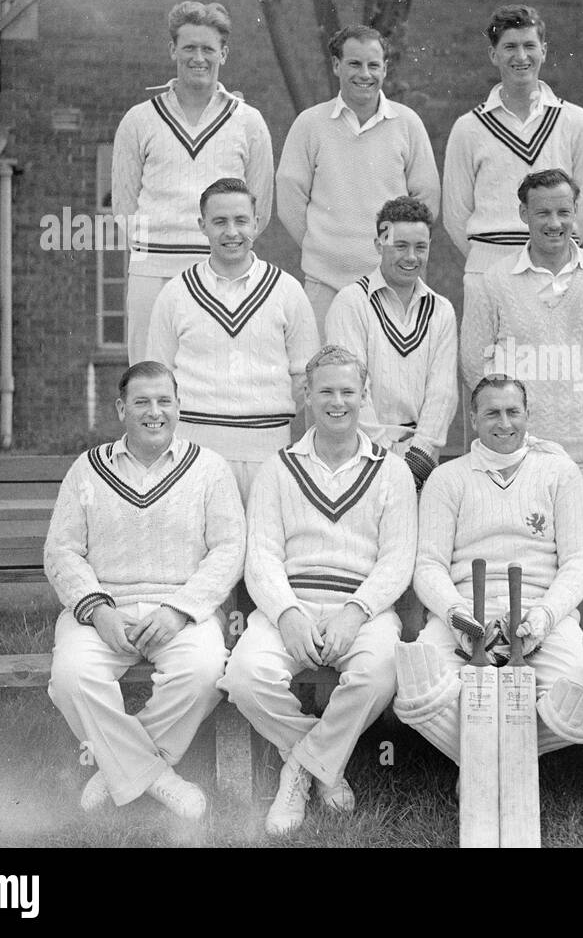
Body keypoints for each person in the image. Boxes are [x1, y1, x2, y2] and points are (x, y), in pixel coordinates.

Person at [219, 346, 417, 834]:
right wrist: (287, 614)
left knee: (379, 672)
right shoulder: (278, 468)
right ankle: (324, 763)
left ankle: (300, 770)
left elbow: (397, 559)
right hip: (291, 605)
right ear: (306, 395)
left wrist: (355, 612)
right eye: (325, 390)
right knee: (244, 676)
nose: (337, 401)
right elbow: (261, 555)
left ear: (364, 395)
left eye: (348, 391)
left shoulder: (391, 471)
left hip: (362, 610)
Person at [44, 361, 245, 821]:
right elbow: (61, 550)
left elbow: (229, 550)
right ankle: (158, 777)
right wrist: (98, 610)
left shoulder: (209, 469)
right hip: (103, 610)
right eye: (142, 402)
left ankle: (119, 768)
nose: (155, 412)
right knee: (72, 678)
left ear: (178, 406)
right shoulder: (88, 469)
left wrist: (180, 610)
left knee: (206, 670)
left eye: (165, 401)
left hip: (179, 610)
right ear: (121, 409)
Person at [394, 375, 583, 769]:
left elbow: (579, 562)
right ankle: (494, 765)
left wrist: (542, 618)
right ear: (473, 418)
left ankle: (488, 764)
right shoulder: (448, 478)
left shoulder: (559, 472)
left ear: (528, 415)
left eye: (514, 412)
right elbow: (428, 565)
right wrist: (458, 617)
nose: (504, 423)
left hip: (538, 611)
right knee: (415, 686)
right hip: (465, 612)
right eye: (492, 413)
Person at [112, 1, 274, 362]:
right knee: (150, 379)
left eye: (208, 49)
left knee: (217, 380)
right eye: (189, 47)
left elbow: (258, 209)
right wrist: (154, 252)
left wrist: (224, 257)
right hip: (152, 273)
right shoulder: (139, 120)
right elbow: (123, 207)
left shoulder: (249, 122)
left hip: (221, 273)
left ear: (224, 54)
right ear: (173, 50)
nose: (198, 58)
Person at [148, 177, 319, 503]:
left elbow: (305, 379)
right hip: (195, 455)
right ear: (202, 226)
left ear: (256, 223)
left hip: (268, 453)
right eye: (220, 222)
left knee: (262, 548)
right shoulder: (176, 293)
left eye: (241, 221)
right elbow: (157, 381)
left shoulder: (286, 290)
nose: (231, 232)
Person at [459, 169, 583, 486]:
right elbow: (475, 363)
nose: (555, 223)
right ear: (524, 214)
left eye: (563, 212)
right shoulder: (494, 281)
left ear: (575, 212)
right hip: (518, 456)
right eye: (543, 213)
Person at [276, 25, 440, 340]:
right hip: (325, 286)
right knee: (326, 378)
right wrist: (324, 244)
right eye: (354, 64)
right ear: (336, 65)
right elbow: (289, 200)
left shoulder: (407, 124)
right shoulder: (310, 124)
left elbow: (425, 201)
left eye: (373, 65)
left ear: (385, 68)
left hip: (391, 283)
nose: (364, 74)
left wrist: (396, 250)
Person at [441, 4, 583, 296]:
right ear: (493, 54)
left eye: (530, 45)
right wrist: (493, 258)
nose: (521, 56)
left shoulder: (576, 121)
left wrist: (551, 250)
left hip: (557, 270)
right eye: (510, 47)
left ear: (544, 50)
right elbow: (455, 215)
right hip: (488, 270)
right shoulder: (468, 128)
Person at [324, 196, 458, 491]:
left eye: (420, 247)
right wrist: (386, 461)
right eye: (400, 246)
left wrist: (417, 463)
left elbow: (442, 395)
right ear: (379, 244)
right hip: (360, 456)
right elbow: (352, 392)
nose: (411, 257)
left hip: (421, 461)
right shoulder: (350, 302)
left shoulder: (441, 310)